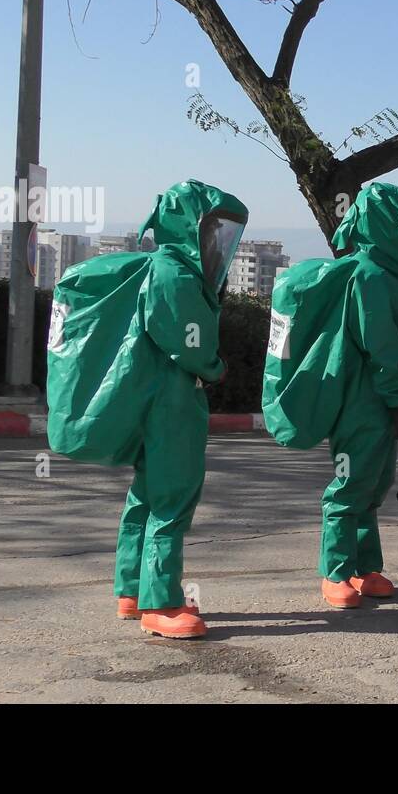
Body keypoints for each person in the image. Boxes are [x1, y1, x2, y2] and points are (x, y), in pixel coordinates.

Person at [49, 179, 248, 639]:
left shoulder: (158, 268)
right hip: (172, 404)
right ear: (191, 226)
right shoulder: (176, 274)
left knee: (146, 495)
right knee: (173, 498)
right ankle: (162, 603)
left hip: (151, 399)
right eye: (213, 229)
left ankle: (132, 591)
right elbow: (186, 340)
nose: (219, 242)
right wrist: (214, 368)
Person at [318, 183, 398, 609]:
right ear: (386, 228)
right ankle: (334, 573)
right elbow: (382, 349)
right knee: (350, 485)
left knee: (373, 485)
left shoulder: (380, 275)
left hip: (376, 405)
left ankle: (364, 567)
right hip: (360, 405)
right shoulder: (368, 275)